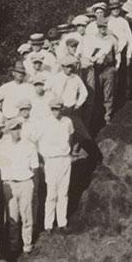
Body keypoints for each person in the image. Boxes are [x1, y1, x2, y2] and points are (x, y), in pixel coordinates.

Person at [0, 118, 39, 254]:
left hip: (26, 182)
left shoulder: (29, 145)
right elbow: (2, 168)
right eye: (13, 129)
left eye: (18, 128)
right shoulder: (3, 147)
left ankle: (27, 244)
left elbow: (35, 167)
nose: (16, 132)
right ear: (8, 131)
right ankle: (14, 246)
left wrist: (33, 185)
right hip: (10, 184)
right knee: (12, 217)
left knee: (27, 215)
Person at [33, 97, 75, 231]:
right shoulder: (44, 123)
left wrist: (68, 152)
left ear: (61, 109)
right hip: (50, 160)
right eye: (53, 109)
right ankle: (48, 225)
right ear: (50, 110)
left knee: (63, 192)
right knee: (51, 193)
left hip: (64, 159)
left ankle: (62, 222)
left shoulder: (67, 121)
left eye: (58, 109)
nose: (56, 112)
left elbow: (71, 136)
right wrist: (41, 157)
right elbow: (35, 140)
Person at [82, 14, 120, 125]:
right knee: (95, 93)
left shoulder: (112, 39)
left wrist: (116, 67)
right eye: (100, 27)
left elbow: (117, 53)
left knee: (108, 93)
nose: (103, 29)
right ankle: (97, 119)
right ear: (97, 27)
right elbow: (87, 54)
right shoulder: (92, 39)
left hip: (108, 69)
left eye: (104, 26)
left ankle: (107, 117)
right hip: (96, 69)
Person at [107, 0, 132, 103]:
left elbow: (129, 39)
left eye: (117, 8)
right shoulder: (107, 21)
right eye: (113, 8)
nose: (116, 10)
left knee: (124, 76)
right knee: (113, 76)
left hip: (122, 51)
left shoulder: (123, 21)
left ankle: (124, 98)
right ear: (110, 10)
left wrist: (129, 56)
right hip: (111, 53)